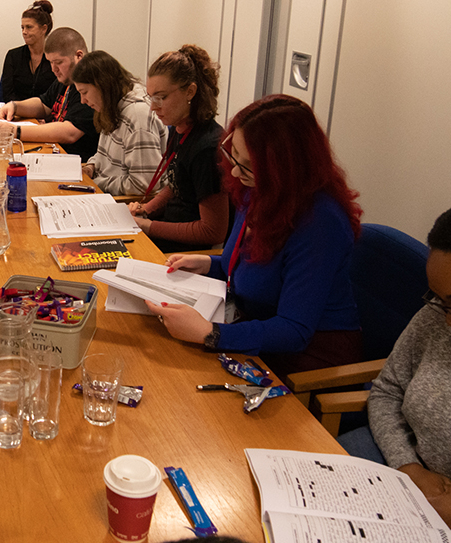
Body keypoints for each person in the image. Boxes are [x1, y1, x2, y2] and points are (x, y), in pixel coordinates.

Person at [148, 95, 363, 380]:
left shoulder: (320, 223)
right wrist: (207, 264)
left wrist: (210, 334)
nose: (235, 170)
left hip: (306, 362)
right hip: (252, 334)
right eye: (233, 154)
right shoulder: (260, 189)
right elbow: (250, 264)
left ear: (285, 169)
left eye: (248, 165)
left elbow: (294, 330)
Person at [339, 208, 451, 523]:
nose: (445, 320)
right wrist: (409, 467)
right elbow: (388, 389)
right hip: (397, 464)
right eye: (441, 300)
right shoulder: (436, 314)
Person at [127, 45, 229, 252]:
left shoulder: (207, 148)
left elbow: (212, 231)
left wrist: (148, 226)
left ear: (190, 92)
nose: (153, 107)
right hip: (164, 235)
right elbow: (177, 185)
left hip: (183, 254)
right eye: (151, 97)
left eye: (161, 97)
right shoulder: (181, 128)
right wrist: (145, 210)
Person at [0, 27, 100, 162]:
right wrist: (15, 106)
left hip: (76, 162)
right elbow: (44, 104)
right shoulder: (64, 80)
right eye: (50, 62)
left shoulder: (89, 87)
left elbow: (70, 132)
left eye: (59, 62)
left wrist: (15, 131)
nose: (53, 69)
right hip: (56, 153)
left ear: (79, 56)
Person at [71, 50, 167, 196]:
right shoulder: (111, 104)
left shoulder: (137, 115)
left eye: (84, 92)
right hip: (106, 193)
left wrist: (96, 183)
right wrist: (92, 165)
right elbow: (105, 155)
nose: (82, 101)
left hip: (126, 205)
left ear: (102, 85)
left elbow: (142, 185)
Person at [0, 0, 56, 102]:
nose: (24, 32)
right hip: (16, 113)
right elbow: (7, 93)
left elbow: (56, 96)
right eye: (22, 28)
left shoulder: (55, 58)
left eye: (29, 27)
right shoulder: (13, 56)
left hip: (45, 114)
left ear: (43, 29)